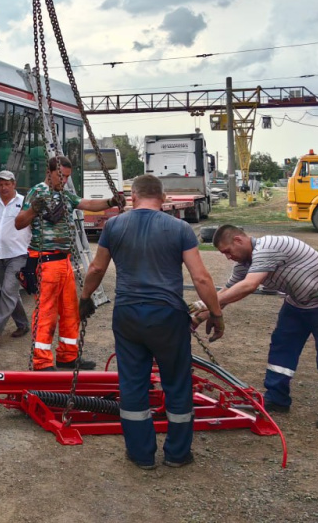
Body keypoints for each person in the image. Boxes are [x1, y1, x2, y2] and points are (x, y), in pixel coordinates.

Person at [79, 174, 225, 470]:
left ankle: (141, 454)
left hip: (128, 314)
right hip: (168, 317)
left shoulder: (114, 225)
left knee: (132, 384)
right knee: (177, 383)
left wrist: (85, 298)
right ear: (163, 197)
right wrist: (216, 314)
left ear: (132, 196)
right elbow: (200, 277)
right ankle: (177, 454)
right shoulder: (180, 228)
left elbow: (96, 268)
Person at [200, 225, 318, 431]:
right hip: (297, 302)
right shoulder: (245, 263)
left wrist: (202, 306)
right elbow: (228, 291)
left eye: (228, 251)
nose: (228, 257)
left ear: (238, 240)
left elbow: (248, 286)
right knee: (282, 346)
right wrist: (201, 315)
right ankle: (277, 399)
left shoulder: (268, 247)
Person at [14, 155, 122, 371]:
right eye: (60, 176)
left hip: (64, 262)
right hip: (46, 261)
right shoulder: (37, 192)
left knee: (70, 310)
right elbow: (18, 223)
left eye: (66, 177)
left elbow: (88, 203)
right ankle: (42, 362)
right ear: (50, 172)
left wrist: (111, 202)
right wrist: (34, 209)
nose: (63, 181)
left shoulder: (65, 195)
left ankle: (68, 356)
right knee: (46, 311)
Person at [0, 170, 31, 346]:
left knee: (7, 291)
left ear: (14, 184)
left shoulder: (24, 202)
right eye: (0, 184)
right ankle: (23, 324)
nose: (3, 187)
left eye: (7, 184)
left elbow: (33, 223)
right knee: (9, 291)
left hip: (18, 254)